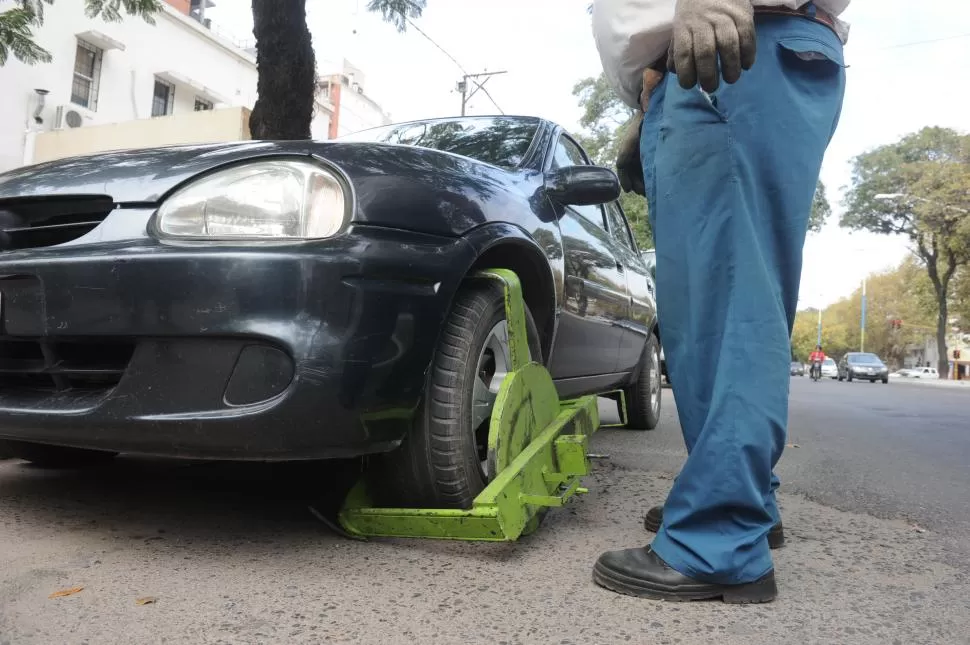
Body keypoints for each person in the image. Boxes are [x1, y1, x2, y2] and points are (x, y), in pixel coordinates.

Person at [590, 0, 849, 603]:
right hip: (701, 61)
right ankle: (738, 499)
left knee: (731, 302)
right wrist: (650, 94)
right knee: (706, 313)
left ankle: (719, 539)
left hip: (732, 45)